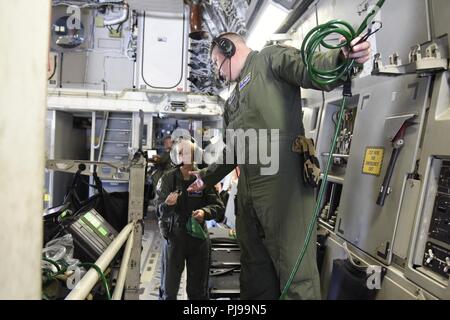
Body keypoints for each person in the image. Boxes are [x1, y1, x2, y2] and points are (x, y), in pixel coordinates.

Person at [187, 32, 371, 299]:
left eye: (217, 63)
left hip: (282, 190)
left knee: (296, 274)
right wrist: (206, 177)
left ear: (228, 49)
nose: (219, 73)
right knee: (255, 274)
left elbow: (310, 68)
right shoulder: (231, 103)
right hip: (249, 199)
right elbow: (234, 150)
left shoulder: (270, 59)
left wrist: (341, 58)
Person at [155, 138, 225, 300]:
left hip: (198, 239)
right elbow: (159, 212)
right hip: (174, 238)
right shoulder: (167, 180)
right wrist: (167, 205)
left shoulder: (204, 178)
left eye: (185, 152)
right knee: (168, 290)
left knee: (198, 292)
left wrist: (204, 212)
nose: (181, 156)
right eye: (179, 152)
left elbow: (218, 207)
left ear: (194, 156)